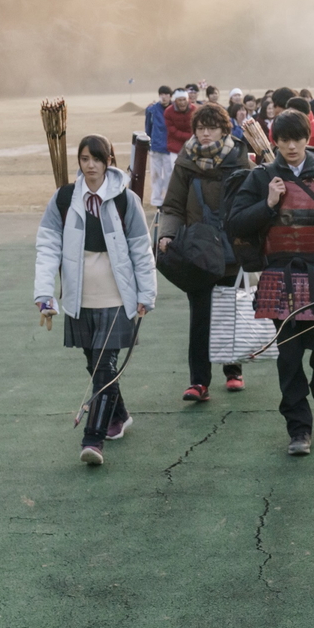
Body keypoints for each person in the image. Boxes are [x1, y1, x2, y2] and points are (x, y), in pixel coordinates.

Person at [226, 110, 314, 455]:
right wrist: (268, 203)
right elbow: (236, 223)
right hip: (278, 276)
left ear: (307, 139)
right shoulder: (261, 178)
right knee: (289, 357)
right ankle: (299, 429)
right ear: (275, 140)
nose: (290, 146)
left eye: (296, 139)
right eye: (283, 140)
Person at [34, 134, 156, 465]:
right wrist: (44, 292)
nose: (90, 166)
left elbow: (140, 250)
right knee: (95, 364)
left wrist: (146, 294)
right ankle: (120, 415)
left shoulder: (124, 200)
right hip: (79, 298)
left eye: (97, 160)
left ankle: (93, 440)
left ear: (108, 162)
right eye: (85, 159)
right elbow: (48, 247)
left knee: (104, 366)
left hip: (117, 297)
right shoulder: (63, 199)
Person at [156, 104, 254, 400]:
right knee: (200, 314)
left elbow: (251, 203)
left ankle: (233, 369)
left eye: (212, 127)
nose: (206, 133)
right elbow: (172, 204)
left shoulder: (240, 161)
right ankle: (199, 381)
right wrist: (167, 233)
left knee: (229, 310)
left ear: (225, 129)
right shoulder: (186, 162)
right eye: (200, 128)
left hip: (230, 248)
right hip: (197, 249)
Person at [145, 85, 173, 206]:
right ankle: (156, 200)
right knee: (155, 175)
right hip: (156, 147)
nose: (164, 97)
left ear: (170, 96)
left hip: (169, 148)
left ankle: (167, 199)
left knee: (168, 175)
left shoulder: (174, 109)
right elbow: (148, 128)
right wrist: (149, 144)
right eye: (161, 94)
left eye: (166, 94)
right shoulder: (152, 110)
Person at [162, 89, 195, 184]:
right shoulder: (168, 112)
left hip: (192, 146)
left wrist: (191, 137)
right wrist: (188, 136)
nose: (182, 102)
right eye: (180, 100)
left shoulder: (194, 110)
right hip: (175, 147)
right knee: (175, 173)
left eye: (184, 99)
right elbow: (172, 130)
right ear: (175, 101)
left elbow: (196, 127)